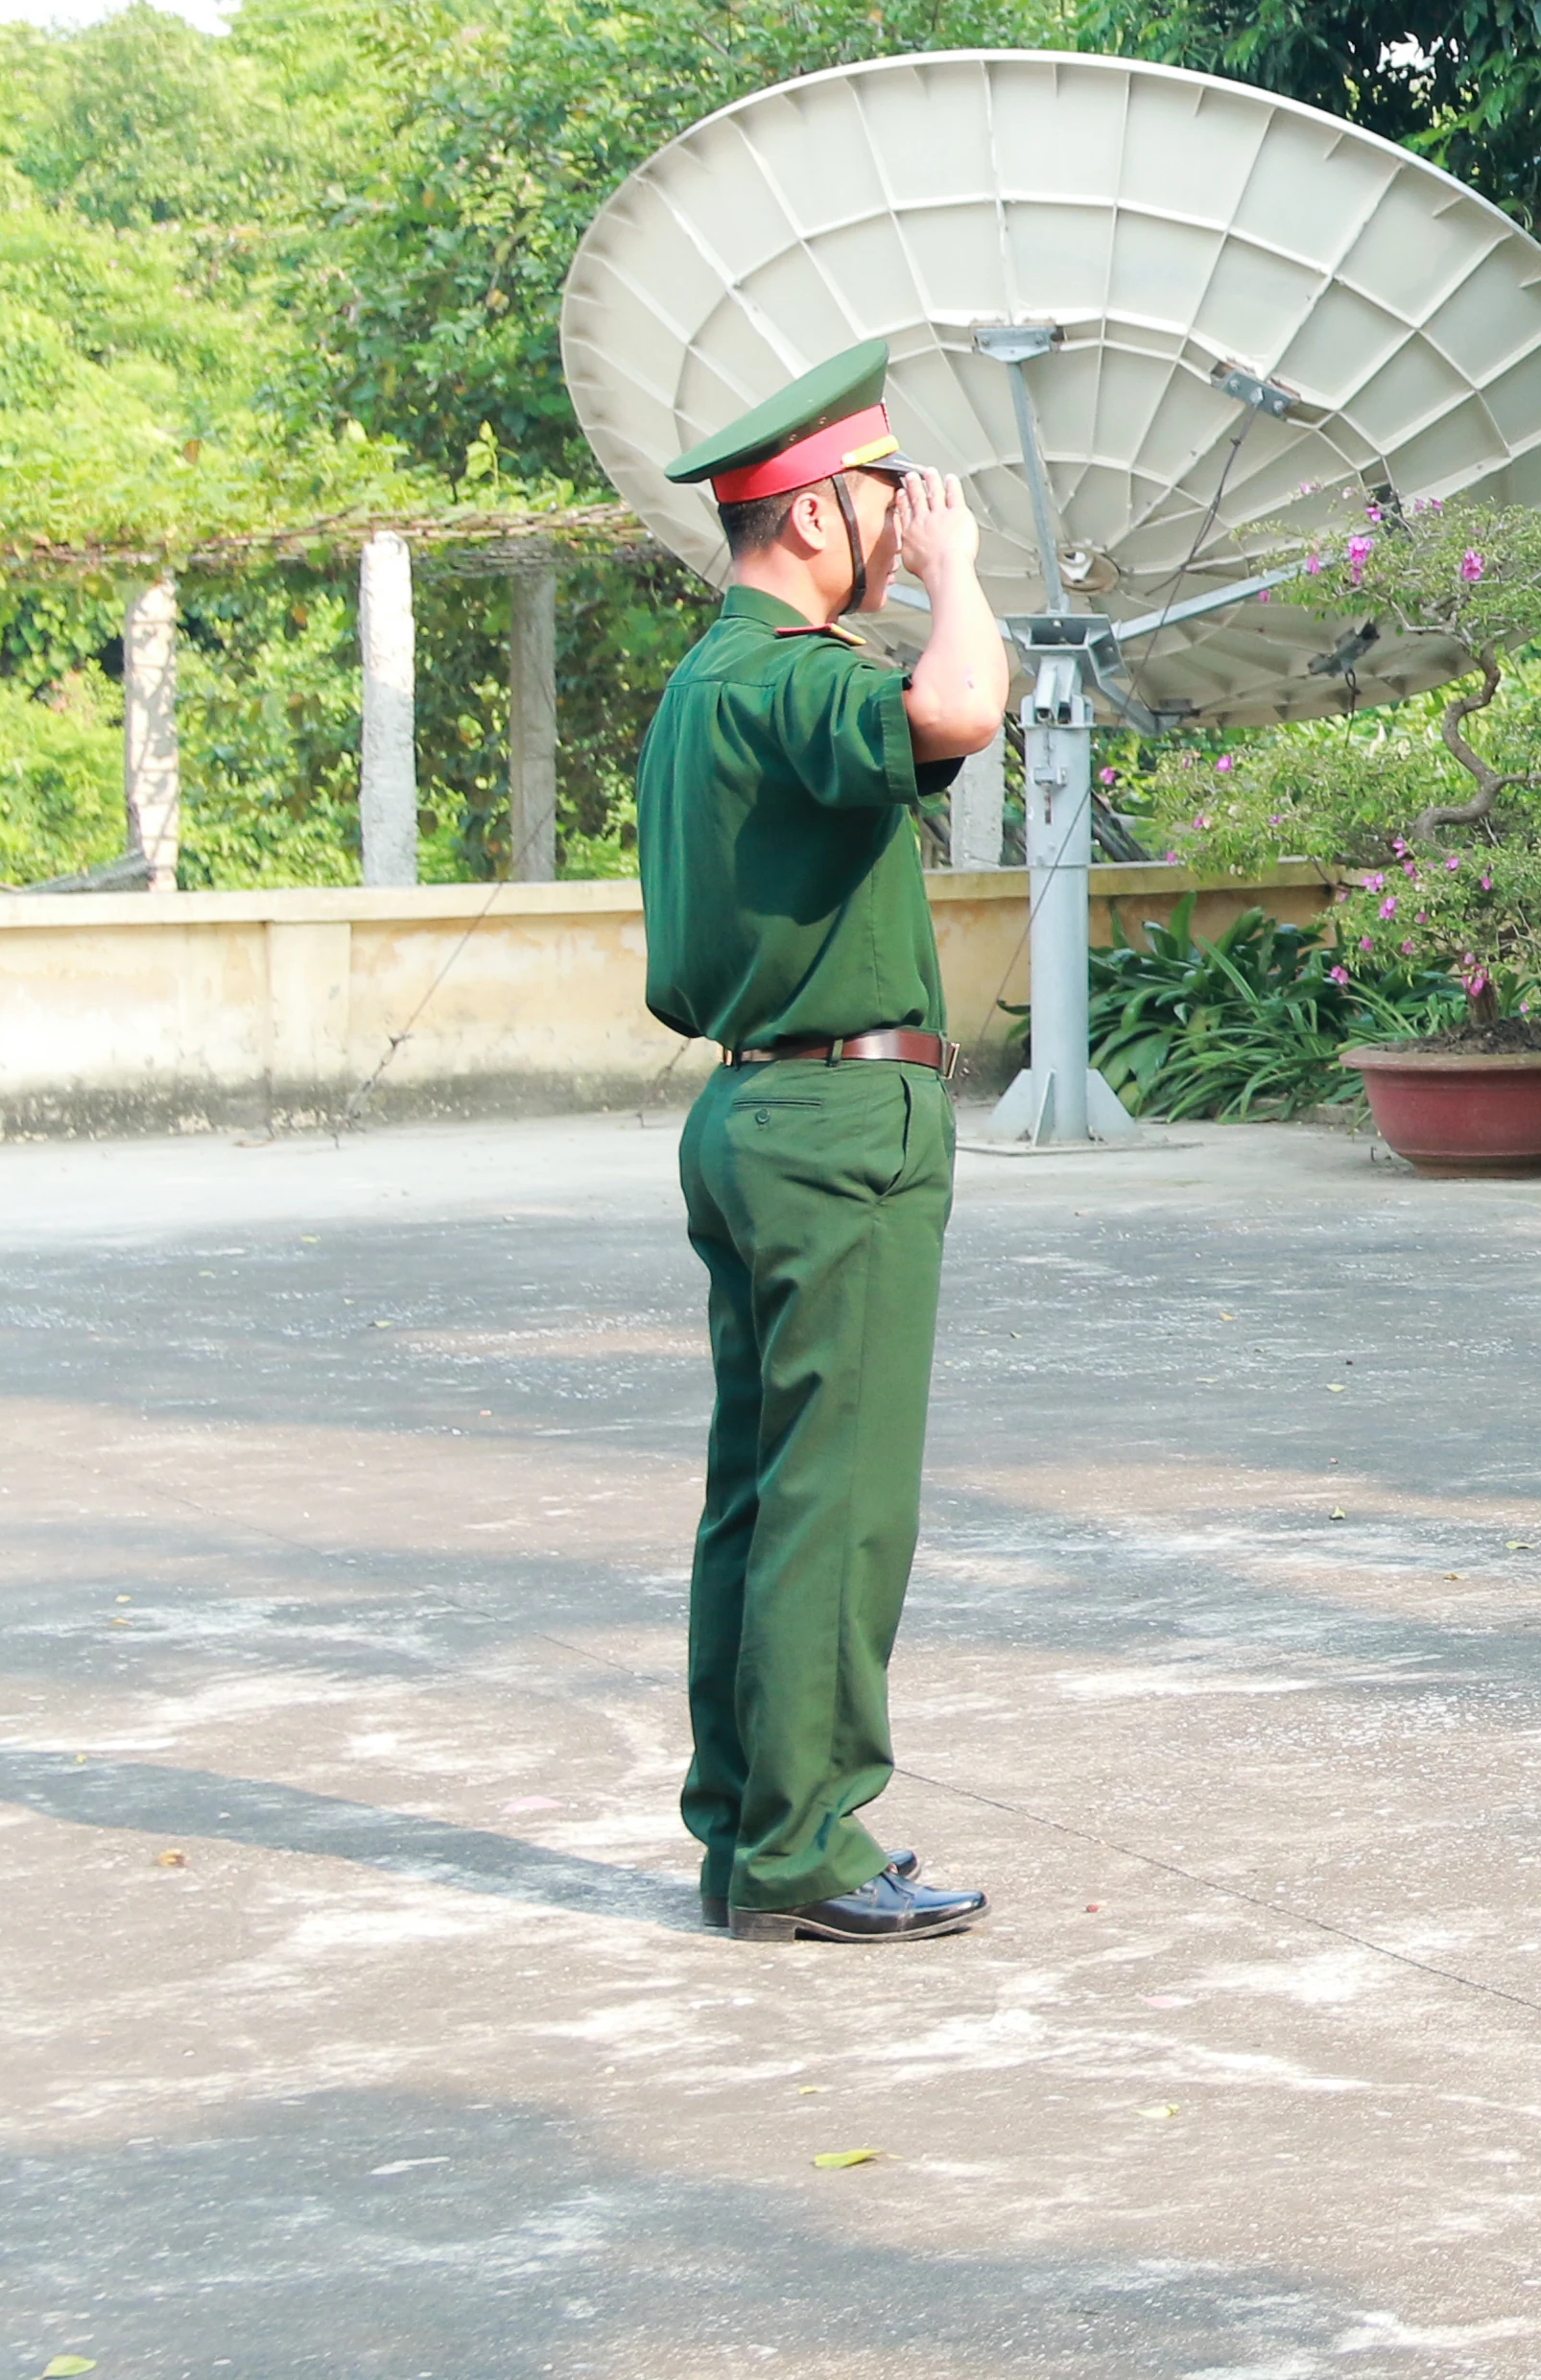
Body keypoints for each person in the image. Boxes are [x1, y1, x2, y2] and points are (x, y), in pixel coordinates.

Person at [635, 342, 1009, 1944]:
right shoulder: (791, 673)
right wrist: (959, 572)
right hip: (835, 1117)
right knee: (839, 1494)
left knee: (763, 1487)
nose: (905, 516)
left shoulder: (706, 681)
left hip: (754, 1109)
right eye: (881, 495)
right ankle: (803, 1844)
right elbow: (961, 705)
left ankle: (748, 1826)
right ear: (808, 521)